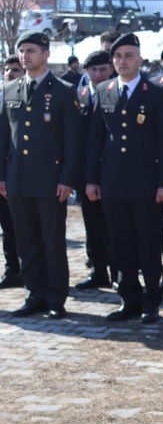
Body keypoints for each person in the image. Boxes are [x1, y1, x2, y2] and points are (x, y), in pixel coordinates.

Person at [86, 34, 163, 324]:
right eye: (118, 56)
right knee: (120, 244)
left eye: (129, 55)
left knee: (147, 243)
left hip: (146, 183)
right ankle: (128, 298)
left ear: (140, 58)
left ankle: (151, 301)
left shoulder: (156, 92)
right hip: (112, 181)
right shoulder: (104, 90)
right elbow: (95, 139)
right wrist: (92, 179)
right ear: (112, 61)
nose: (123, 61)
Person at [0, 31, 81, 318]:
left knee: (52, 240)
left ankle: (56, 298)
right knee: (26, 241)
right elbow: (3, 137)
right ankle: (34, 293)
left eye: (31, 51)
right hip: (18, 179)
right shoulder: (10, 89)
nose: (25, 56)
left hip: (50, 180)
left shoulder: (62, 91)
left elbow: (72, 141)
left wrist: (68, 178)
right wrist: (2, 175)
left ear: (46, 54)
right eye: (22, 51)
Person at [75, 51, 116, 290]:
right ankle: (98, 271)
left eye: (102, 69)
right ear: (86, 71)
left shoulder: (117, 93)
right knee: (92, 226)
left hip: (110, 171)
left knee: (114, 226)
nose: (98, 75)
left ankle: (118, 273)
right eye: (93, 70)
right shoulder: (78, 96)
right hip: (85, 173)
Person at [0, 56, 25, 289]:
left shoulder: (27, 99)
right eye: (6, 70)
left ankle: (31, 271)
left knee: (24, 227)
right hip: (2, 176)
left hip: (18, 174)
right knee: (7, 228)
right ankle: (12, 271)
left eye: (15, 70)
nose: (9, 73)